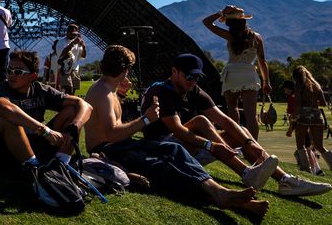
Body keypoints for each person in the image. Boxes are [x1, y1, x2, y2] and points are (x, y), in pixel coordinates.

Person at [84, 45, 269, 218]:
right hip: (108, 149)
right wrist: (146, 119)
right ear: (125, 70)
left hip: (122, 145)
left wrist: (121, 95)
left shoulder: (109, 90)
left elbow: (107, 123)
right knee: (162, 168)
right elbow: (111, 134)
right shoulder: (104, 93)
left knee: (174, 150)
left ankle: (221, 192)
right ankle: (228, 198)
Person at [139, 54, 330, 196]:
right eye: (190, 77)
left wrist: (248, 142)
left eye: (197, 77)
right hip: (163, 151)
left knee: (243, 131)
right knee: (201, 121)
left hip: (187, 148)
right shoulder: (161, 91)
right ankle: (246, 173)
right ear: (174, 72)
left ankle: (286, 181)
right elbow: (177, 129)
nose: (193, 82)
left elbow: (224, 120)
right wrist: (211, 145)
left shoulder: (193, 90)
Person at [0, 50, 92, 179]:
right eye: (9, 70)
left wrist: (74, 127)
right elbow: (5, 108)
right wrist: (44, 130)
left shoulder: (40, 89)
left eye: (18, 72)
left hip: (38, 146)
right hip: (5, 152)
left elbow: (85, 105)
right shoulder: (1, 90)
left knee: (72, 111)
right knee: (8, 120)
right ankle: (34, 170)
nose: (11, 75)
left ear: (32, 77)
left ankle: (61, 165)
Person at [202, 5, 270, 140]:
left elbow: (206, 22)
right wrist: (266, 81)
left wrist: (221, 12)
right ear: (244, 21)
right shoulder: (256, 37)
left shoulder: (229, 35)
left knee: (232, 109)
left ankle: (238, 142)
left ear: (229, 23)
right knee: (251, 115)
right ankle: (254, 147)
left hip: (232, 74)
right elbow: (262, 61)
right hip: (249, 74)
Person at [293, 66, 332, 173]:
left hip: (303, 116)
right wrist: (313, 103)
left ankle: (306, 169)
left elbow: (298, 102)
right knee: (320, 146)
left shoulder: (298, 85)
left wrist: (293, 117)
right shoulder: (317, 86)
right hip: (317, 115)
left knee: (300, 145)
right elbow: (323, 103)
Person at [55, 24, 87, 95]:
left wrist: (84, 47)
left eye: (75, 34)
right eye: (72, 34)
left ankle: (71, 104)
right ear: (67, 32)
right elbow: (62, 54)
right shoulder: (61, 42)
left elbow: (83, 56)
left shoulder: (78, 43)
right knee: (68, 89)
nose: (74, 36)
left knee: (74, 90)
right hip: (64, 69)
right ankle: (67, 104)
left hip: (75, 68)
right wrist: (73, 43)